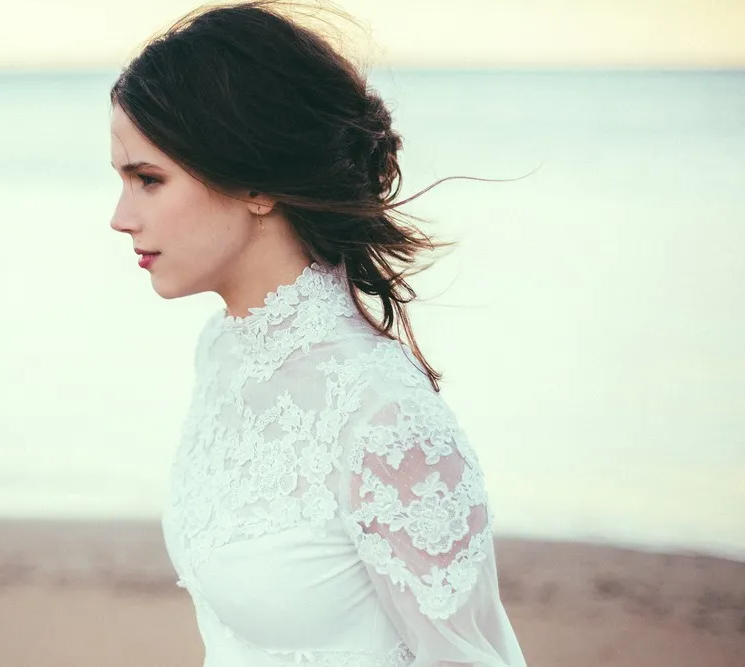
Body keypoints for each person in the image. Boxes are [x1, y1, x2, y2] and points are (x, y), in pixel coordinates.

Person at [108, 2, 527, 665]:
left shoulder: (386, 418)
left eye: (148, 180)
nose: (120, 217)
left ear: (254, 181)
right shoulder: (222, 353)